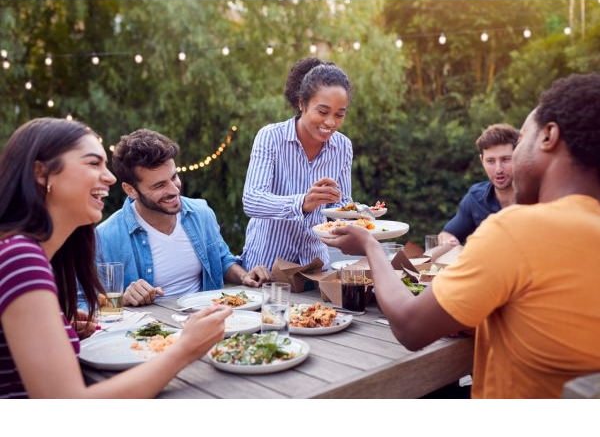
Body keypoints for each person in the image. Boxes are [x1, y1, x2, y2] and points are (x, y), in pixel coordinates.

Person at [324, 73, 600, 399]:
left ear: (549, 136)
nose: (504, 165)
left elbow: (410, 327)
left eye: (522, 139)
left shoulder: (518, 229)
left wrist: (369, 244)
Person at [0, 118, 231, 399]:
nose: (108, 177)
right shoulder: (21, 259)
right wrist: (186, 348)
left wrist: (62, 327)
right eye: (93, 163)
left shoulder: (28, 254)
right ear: (41, 173)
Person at [96, 129, 270, 307]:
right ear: (131, 190)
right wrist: (122, 299)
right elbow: (84, 304)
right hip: (152, 331)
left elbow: (222, 260)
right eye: (159, 185)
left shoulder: (201, 212)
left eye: (174, 177)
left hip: (208, 319)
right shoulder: (106, 237)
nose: (174, 190)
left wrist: (244, 276)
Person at [242, 57, 354, 271]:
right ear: (302, 103)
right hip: (265, 267)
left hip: (315, 265)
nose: (331, 123)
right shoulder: (270, 137)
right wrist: (302, 203)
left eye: (339, 115)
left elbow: (341, 204)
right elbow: (252, 201)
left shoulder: (343, 146)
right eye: (322, 112)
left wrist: (356, 214)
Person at [438, 123, 519, 246]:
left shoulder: (537, 199)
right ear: (482, 161)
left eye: (505, 159)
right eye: (490, 161)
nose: (498, 169)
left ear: (518, 157)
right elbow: (447, 234)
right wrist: (448, 241)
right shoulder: (475, 198)